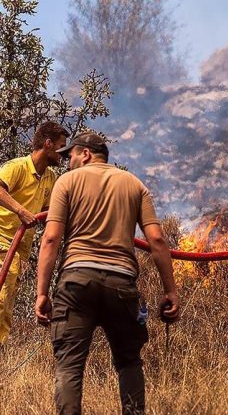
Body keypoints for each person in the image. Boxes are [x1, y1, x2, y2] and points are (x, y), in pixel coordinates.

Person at [34, 131, 180, 415]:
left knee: (69, 365)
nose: (68, 162)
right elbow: (158, 241)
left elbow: (51, 239)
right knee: (128, 362)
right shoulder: (134, 184)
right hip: (121, 284)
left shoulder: (67, 182)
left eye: (71, 156)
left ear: (86, 154)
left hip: (76, 282)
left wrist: (41, 293)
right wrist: (170, 290)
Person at [0, 122, 69, 345]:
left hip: (18, 250)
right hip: (2, 240)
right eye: (60, 146)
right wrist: (20, 210)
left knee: (6, 302)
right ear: (48, 144)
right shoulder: (17, 167)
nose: (63, 154)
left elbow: (52, 213)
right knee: (2, 297)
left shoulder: (50, 179)